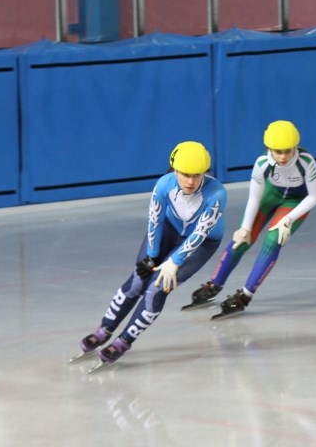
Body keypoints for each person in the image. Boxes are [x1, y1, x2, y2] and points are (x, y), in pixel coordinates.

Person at [71, 141, 227, 368]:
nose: (191, 181)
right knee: (138, 279)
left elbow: (200, 233)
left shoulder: (217, 193)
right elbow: (154, 221)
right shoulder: (164, 185)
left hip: (201, 243)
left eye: (197, 175)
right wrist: (152, 255)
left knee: (156, 289)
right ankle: (103, 330)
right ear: (174, 170)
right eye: (185, 175)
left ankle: (124, 341)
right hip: (168, 231)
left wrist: (175, 261)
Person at [185, 120, 316, 319]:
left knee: (272, 241)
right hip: (272, 195)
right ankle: (215, 283)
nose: (283, 156)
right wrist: (244, 228)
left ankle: (245, 295)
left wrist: (289, 219)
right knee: (241, 239)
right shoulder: (262, 163)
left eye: (287, 151)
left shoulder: (306, 162)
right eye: (277, 151)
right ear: (268, 149)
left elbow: (314, 196)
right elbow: (255, 197)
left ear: (295, 148)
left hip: (296, 202)